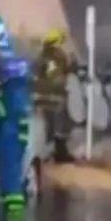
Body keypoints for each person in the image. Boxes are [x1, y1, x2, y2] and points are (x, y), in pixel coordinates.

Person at [0, 50, 32, 221]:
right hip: (13, 145)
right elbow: (22, 124)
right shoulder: (19, 95)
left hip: (7, 143)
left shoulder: (8, 97)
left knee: (10, 187)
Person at [31, 28, 75, 163]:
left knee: (48, 127)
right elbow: (57, 78)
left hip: (42, 98)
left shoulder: (40, 57)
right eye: (60, 43)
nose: (62, 46)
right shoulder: (55, 58)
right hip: (55, 97)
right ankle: (59, 154)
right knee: (60, 127)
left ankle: (49, 154)